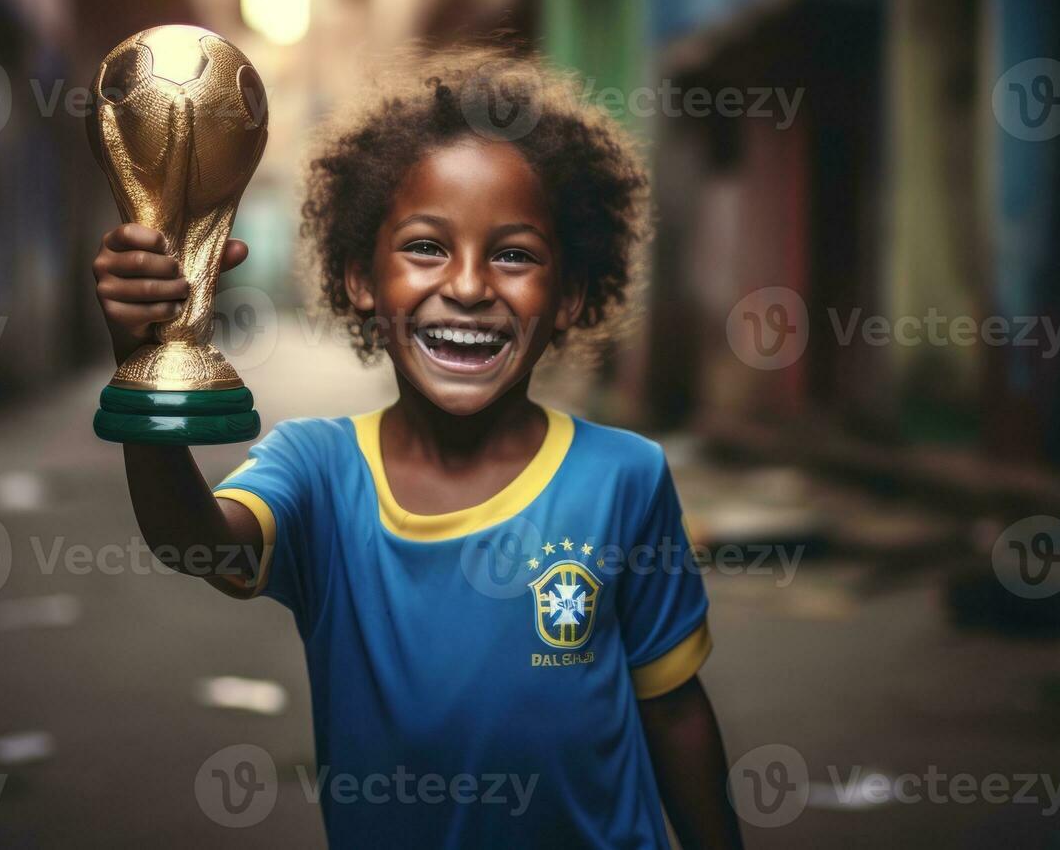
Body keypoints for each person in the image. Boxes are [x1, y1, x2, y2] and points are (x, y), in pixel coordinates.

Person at [92, 49, 743, 849]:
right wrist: (147, 362)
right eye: (426, 247)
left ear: (570, 295)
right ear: (361, 280)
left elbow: (673, 710)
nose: (468, 286)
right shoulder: (318, 470)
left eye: (513, 254)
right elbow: (197, 545)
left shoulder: (625, 478)